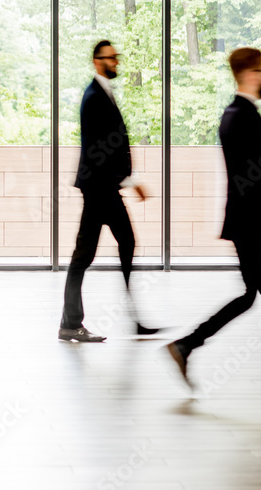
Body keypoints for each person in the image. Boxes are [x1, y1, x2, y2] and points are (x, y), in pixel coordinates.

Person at [166, 48, 261, 400]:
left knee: (255, 296)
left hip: (247, 225)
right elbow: (257, 182)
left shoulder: (237, 114)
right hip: (255, 227)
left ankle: (188, 346)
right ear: (250, 73)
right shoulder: (243, 117)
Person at [59, 40, 158, 343]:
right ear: (96, 61)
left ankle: (124, 320)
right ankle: (71, 323)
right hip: (100, 189)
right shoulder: (93, 97)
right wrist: (129, 180)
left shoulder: (103, 94)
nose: (116, 62)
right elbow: (98, 149)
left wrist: (128, 179)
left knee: (119, 245)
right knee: (84, 257)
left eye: (116, 57)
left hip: (104, 188)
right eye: (110, 58)